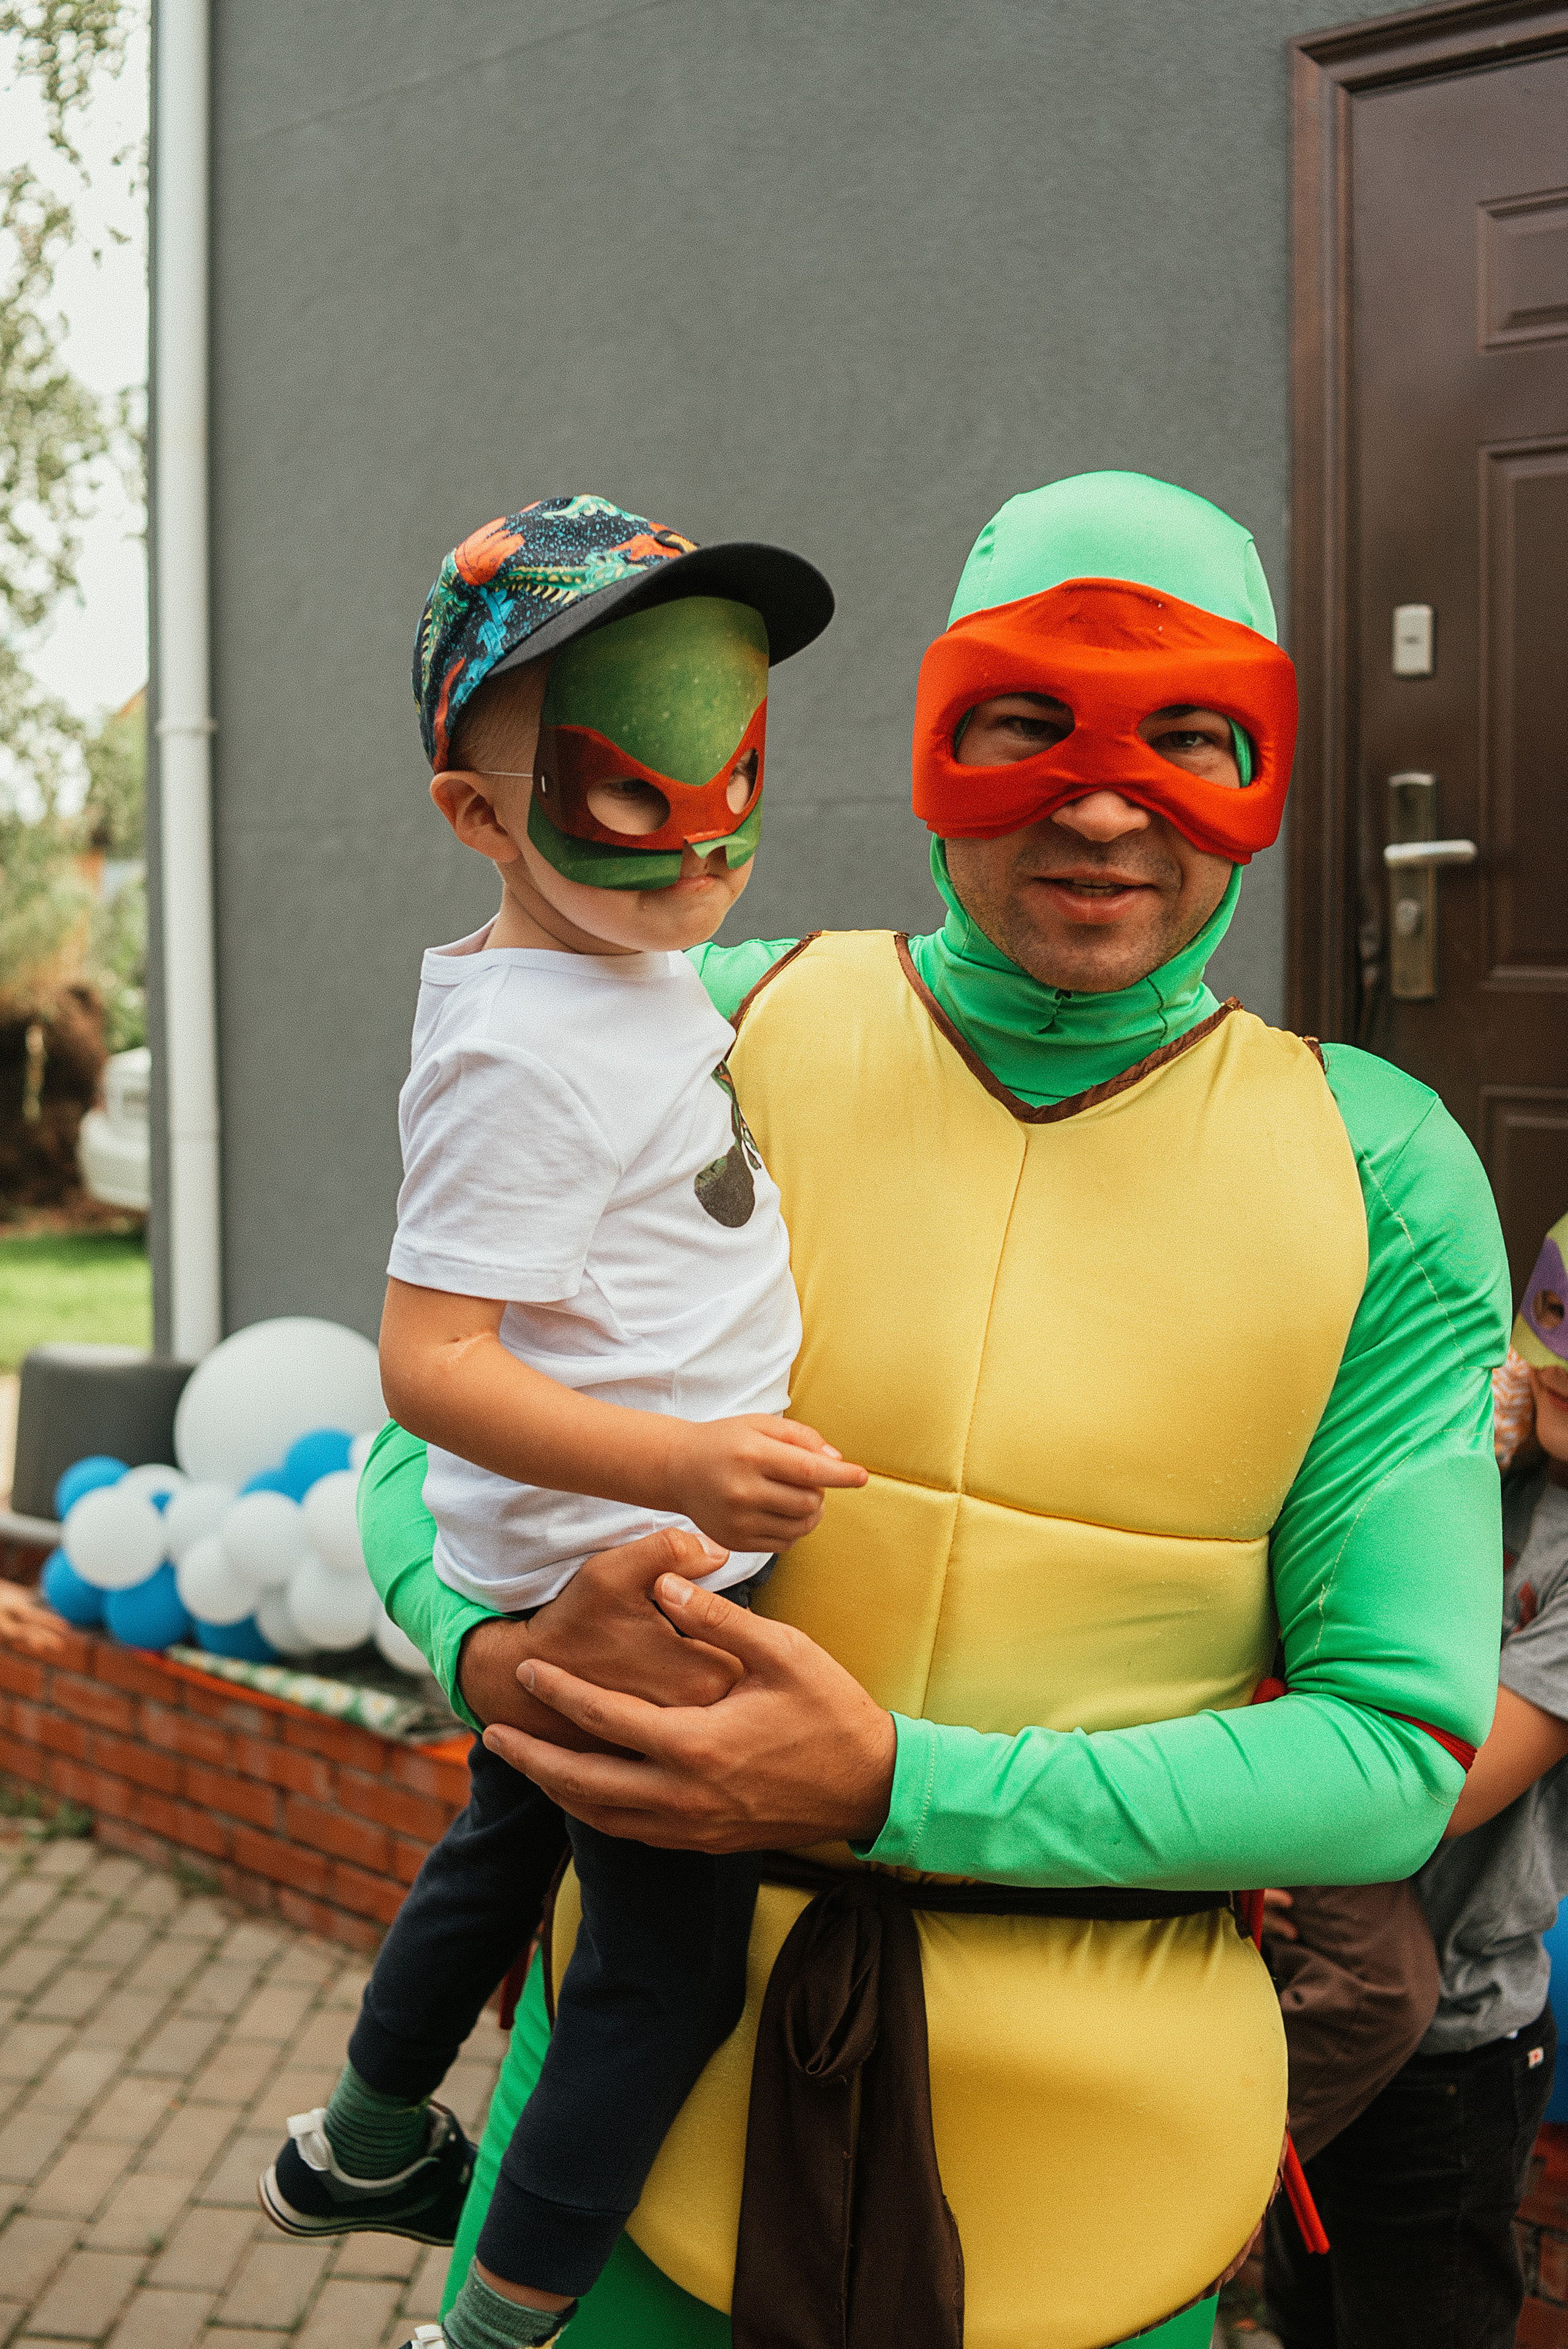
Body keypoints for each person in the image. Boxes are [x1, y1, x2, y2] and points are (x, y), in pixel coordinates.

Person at [364, 470, 1507, 2349]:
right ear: (931, 736)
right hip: (648, 2130)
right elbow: (426, 1427)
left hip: (1105, 2168)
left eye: (1190, 737)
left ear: (1269, 761)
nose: (1104, 801)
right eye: (1027, 724)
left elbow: (1392, 1751)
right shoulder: (698, 1014)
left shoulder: (1378, 1166)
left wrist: (900, 1784)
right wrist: (493, 1652)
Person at [258, 495, 867, 2349]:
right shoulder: (524, 1051)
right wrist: (681, 1469)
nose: (701, 845)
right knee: (663, 1982)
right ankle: (498, 2321)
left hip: (579, 1562)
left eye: (734, 774)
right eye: (626, 792)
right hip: (638, 1571)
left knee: (504, 1837)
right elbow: (427, 1365)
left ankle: (363, 2138)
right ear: (475, 811)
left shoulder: (610, 964)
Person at [1265, 1207, 1568, 2349]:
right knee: (1305, 2317)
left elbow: (1437, 1789)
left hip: (1454, 2057)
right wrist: (1455, 1451)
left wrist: (1273, 1826)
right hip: (1321, 1961)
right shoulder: (1499, 1463)